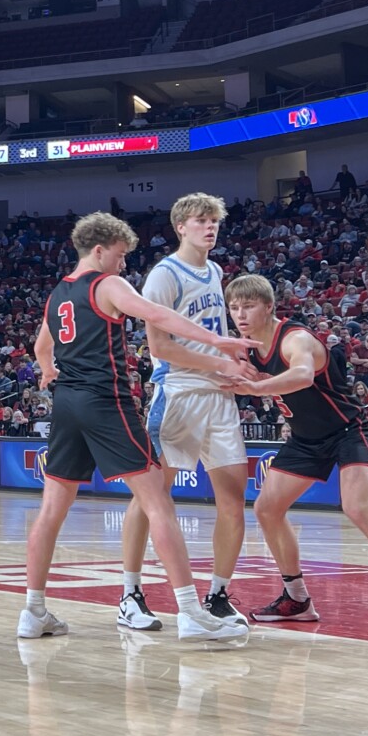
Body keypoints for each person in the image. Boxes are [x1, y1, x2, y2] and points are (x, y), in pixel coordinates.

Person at [21, 212, 253, 643]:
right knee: (157, 500)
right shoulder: (107, 285)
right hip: (104, 401)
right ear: (99, 250)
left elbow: (41, 347)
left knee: (52, 508)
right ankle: (190, 612)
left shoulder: (57, 294)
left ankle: (33, 611)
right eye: (120, 255)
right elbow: (157, 316)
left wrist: (48, 371)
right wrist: (218, 341)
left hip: (66, 404)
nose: (124, 264)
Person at [226, 276, 368, 644]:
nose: (240, 314)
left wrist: (257, 386)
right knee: (266, 509)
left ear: (267, 307)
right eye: (234, 307)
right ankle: (297, 599)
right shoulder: (244, 348)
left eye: (248, 306)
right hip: (306, 438)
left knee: (359, 509)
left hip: (347, 431)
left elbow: (303, 374)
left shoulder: (295, 339)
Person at [128, 194, 252, 630]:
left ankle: (217, 595)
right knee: (150, 497)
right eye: (201, 220)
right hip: (177, 393)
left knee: (233, 502)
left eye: (214, 220)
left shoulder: (216, 271)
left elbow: (210, 336)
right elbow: (160, 346)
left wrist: (233, 370)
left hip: (218, 396)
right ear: (180, 225)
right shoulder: (164, 274)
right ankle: (131, 592)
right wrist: (220, 362)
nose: (210, 227)